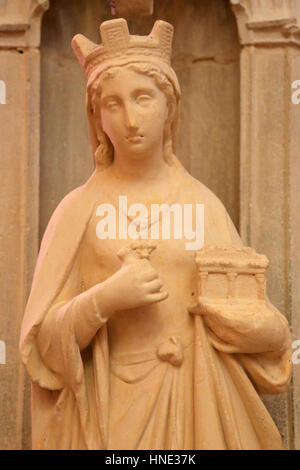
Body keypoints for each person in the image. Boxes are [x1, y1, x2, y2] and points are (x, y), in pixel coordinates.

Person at [19, 19, 292, 450]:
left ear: (170, 105)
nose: (130, 118)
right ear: (96, 115)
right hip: (106, 417)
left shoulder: (203, 205)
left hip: (195, 404)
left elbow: (262, 322)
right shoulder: (78, 210)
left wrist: (259, 331)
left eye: (143, 98)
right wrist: (103, 300)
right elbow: (40, 346)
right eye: (113, 103)